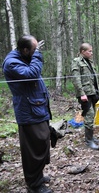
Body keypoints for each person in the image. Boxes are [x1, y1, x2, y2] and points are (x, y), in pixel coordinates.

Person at [2, 35, 53, 193]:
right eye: (33, 49)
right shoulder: (11, 63)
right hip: (28, 111)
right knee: (33, 149)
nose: (36, 51)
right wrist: (37, 55)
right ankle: (34, 184)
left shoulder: (24, 56)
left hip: (37, 108)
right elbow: (31, 74)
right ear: (25, 50)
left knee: (42, 142)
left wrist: (35, 53)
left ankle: (37, 175)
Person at [71, 43, 99, 150]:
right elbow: (76, 79)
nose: (91, 53)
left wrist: (98, 90)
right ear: (83, 52)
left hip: (93, 92)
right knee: (89, 115)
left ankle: (91, 137)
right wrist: (82, 93)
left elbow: (93, 77)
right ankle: (88, 141)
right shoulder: (77, 62)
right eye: (89, 51)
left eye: (92, 51)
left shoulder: (90, 62)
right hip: (85, 94)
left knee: (91, 115)